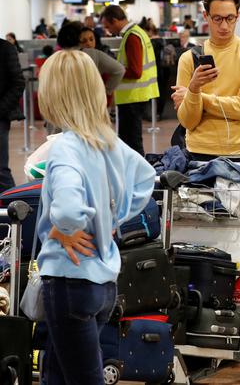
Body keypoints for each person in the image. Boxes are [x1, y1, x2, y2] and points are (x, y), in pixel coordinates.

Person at [36, 49, 156, 384]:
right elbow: (146, 178)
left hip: (69, 281)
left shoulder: (65, 147)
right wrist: (111, 218)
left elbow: (68, 210)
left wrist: (66, 228)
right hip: (102, 285)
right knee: (57, 375)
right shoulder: (108, 142)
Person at [172, 0, 240, 161]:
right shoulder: (189, 59)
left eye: (230, 18)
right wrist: (194, 87)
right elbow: (188, 122)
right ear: (206, 16)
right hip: (198, 151)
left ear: (237, 16)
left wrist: (197, 97)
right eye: (217, 18)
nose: (224, 25)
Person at [100, 5, 160, 155]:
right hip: (136, 96)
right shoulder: (137, 33)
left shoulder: (132, 36)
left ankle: (139, 175)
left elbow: (135, 71)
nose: (108, 31)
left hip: (133, 97)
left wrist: (113, 71)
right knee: (131, 140)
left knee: (131, 142)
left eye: (108, 26)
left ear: (114, 20)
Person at [57, 21, 125, 98]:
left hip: (67, 99)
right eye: (84, 40)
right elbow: (119, 70)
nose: (89, 43)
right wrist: (106, 91)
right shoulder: (95, 54)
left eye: (91, 39)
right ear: (78, 40)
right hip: (92, 100)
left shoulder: (57, 58)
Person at [0, 37, 25, 192]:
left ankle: (15, 212)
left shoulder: (6, 48)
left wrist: (1, 109)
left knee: (1, 172)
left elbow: (18, 83)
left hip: (0, 117)